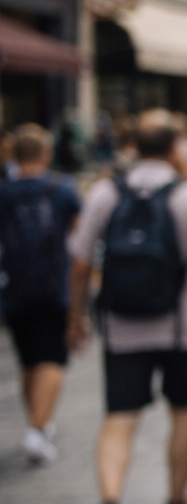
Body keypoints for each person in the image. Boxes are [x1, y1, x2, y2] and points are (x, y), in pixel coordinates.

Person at [68, 110, 187, 504]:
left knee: (119, 418)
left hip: (121, 325)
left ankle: (110, 503)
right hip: (182, 327)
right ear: (176, 146)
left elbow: (80, 261)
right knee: (185, 410)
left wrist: (75, 316)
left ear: (132, 146)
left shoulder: (105, 192)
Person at [0, 125, 81, 464]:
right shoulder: (62, 189)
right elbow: (80, 237)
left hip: (14, 289)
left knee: (29, 361)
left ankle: (39, 423)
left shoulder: (5, 192)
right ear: (46, 154)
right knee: (52, 359)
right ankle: (37, 428)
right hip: (54, 288)